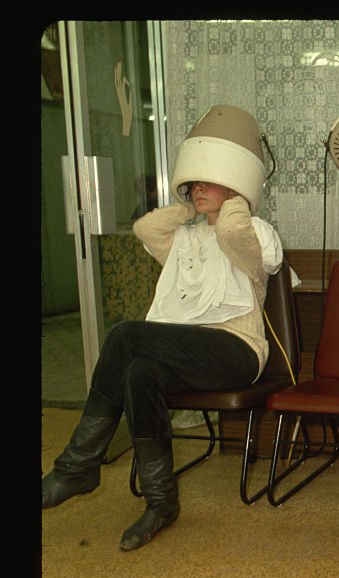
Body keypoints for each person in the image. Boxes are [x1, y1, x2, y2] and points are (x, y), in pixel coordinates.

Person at [41, 107, 283, 552]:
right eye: (193, 181)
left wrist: (234, 199)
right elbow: (145, 227)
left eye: (208, 179)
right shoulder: (184, 238)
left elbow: (233, 236)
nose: (196, 187)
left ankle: (78, 465)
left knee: (126, 335)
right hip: (186, 350)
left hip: (237, 352)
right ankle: (160, 502)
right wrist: (188, 203)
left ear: (234, 184)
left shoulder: (257, 232)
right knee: (139, 374)